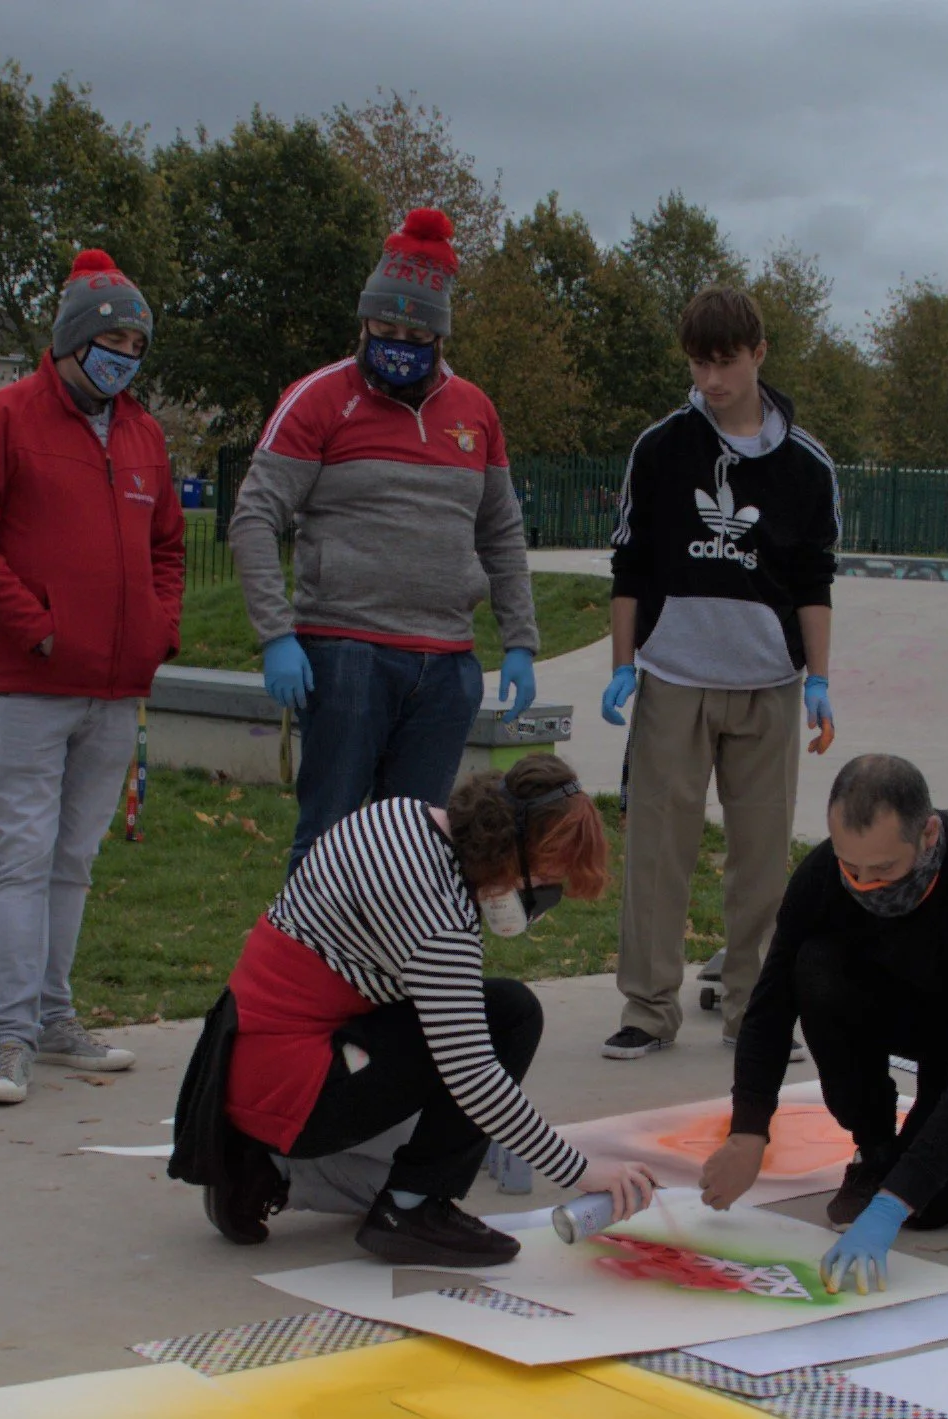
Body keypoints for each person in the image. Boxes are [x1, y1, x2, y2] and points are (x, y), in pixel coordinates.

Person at [169, 755, 658, 1267]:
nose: (543, 897)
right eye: (546, 878)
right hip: (293, 1086)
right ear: (510, 852)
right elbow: (472, 1076)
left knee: (450, 1112)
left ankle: (258, 1168)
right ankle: (410, 1209)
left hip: (250, 1061)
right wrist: (580, 1170)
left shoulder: (401, 817)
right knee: (511, 1017)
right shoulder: (439, 921)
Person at [699, 754, 948, 1295]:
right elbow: (771, 1005)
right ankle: (874, 1150)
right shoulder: (823, 874)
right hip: (922, 995)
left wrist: (893, 1205)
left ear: (929, 832)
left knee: (932, 1201)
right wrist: (748, 1131)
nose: (865, 886)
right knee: (815, 968)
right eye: (852, 867)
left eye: (885, 870)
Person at [0, 249, 183, 1105]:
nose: (124, 356)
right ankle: (7, 1033)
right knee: (25, 851)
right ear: (73, 339)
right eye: (111, 339)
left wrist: (158, 628)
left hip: (117, 685)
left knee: (73, 857)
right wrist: (34, 627)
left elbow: (168, 549)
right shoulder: (0, 420)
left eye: (137, 343)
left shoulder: (145, 433)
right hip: (30, 685)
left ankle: (52, 1013)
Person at [227, 207, 541, 873]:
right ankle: (304, 974)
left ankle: (386, 978)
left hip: (447, 663)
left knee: (414, 851)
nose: (399, 340)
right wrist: (276, 633)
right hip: (347, 656)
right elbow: (255, 516)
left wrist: (520, 641)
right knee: (329, 840)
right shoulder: (317, 399)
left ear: (440, 334)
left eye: (415, 331)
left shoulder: (476, 413)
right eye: (385, 328)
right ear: (364, 323)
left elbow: (501, 530)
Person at [599, 285, 839, 1061]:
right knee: (659, 848)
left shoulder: (806, 465)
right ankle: (647, 1006)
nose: (711, 380)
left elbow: (814, 579)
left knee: (762, 857)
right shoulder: (662, 448)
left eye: (725, 362)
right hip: (674, 677)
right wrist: (622, 665)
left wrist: (819, 679)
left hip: (768, 683)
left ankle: (753, 1011)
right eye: (699, 364)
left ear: (759, 354)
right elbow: (629, 564)